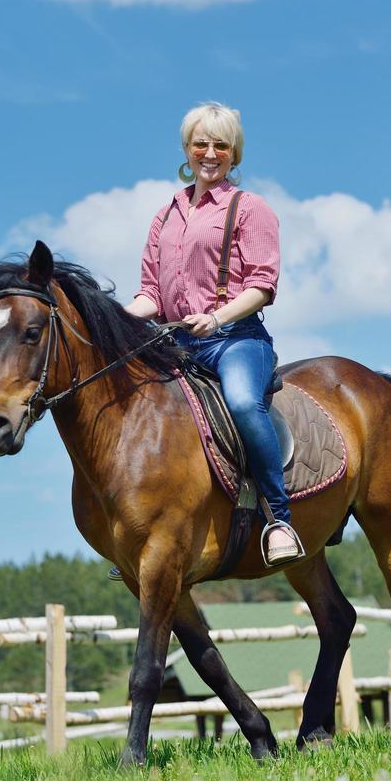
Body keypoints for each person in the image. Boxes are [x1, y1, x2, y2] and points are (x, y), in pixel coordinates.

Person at [125, 101, 303, 566]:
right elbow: (150, 295)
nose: (210, 152)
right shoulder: (164, 216)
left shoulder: (251, 209)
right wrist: (118, 318)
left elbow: (263, 286)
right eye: (200, 143)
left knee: (244, 403)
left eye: (220, 144)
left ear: (234, 153)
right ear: (187, 148)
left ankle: (279, 519)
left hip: (235, 340)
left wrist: (218, 317)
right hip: (177, 344)